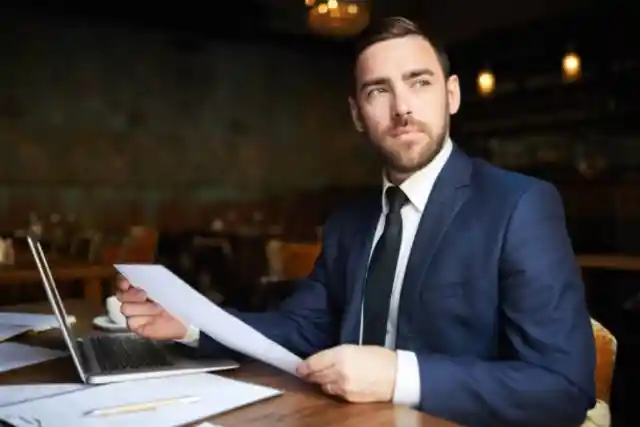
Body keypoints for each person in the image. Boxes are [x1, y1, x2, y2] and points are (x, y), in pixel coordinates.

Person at [117, 16, 596, 427]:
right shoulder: (350, 223)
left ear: (452, 95)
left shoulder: (520, 205)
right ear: (357, 115)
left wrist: (397, 376)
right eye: (378, 91)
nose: (402, 108)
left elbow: (563, 388)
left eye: (419, 82)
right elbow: (299, 329)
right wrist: (191, 325)